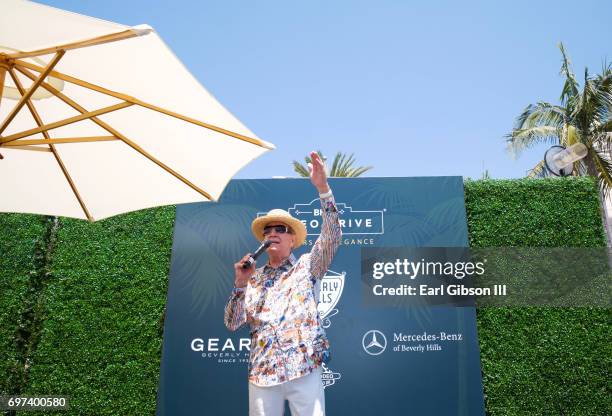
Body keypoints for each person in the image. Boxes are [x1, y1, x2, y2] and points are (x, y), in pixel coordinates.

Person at [224, 151, 342, 416]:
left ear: (292, 240)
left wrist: (323, 188)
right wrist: (240, 285)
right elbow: (232, 323)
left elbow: (332, 236)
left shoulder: (309, 266)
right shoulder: (253, 277)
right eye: (268, 230)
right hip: (262, 373)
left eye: (280, 229)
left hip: (304, 367)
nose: (273, 233)